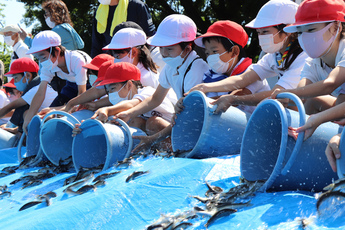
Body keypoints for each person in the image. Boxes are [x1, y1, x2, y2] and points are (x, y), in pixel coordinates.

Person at [184, 0, 307, 114]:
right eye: (259, 32)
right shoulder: (273, 57)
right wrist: (204, 87)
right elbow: (242, 79)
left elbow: (278, 94)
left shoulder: (303, 57)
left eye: (265, 32)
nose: (261, 37)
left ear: (288, 29)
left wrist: (234, 99)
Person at [114, 14, 209, 152]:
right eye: (161, 48)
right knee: (140, 121)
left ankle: (182, 153)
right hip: (185, 120)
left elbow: (190, 118)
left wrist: (154, 138)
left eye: (169, 49)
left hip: (203, 128)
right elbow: (155, 98)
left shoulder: (196, 69)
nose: (163, 53)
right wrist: (130, 113)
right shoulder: (171, 67)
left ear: (187, 49)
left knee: (154, 123)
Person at [63, 27, 174, 113]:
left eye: (119, 52)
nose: (115, 56)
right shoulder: (120, 68)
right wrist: (72, 103)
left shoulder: (145, 77)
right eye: (112, 52)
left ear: (134, 52)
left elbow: (132, 102)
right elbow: (99, 90)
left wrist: (101, 106)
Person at [271, 0, 345, 115]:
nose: (305, 37)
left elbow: (330, 84)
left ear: (336, 27)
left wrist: (290, 92)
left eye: (311, 30)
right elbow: (302, 93)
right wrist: (284, 97)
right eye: (300, 32)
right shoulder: (313, 62)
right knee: (312, 101)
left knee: (342, 100)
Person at [86, 62, 175, 145]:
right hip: (155, 137)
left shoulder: (147, 92)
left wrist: (107, 110)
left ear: (129, 85)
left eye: (113, 89)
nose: (111, 94)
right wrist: (87, 127)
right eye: (108, 91)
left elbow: (132, 104)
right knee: (134, 122)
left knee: (153, 122)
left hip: (175, 131)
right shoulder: (122, 105)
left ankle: (174, 154)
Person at [22, 30, 91, 133]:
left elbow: (82, 95)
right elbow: (40, 93)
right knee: (47, 115)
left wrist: (58, 110)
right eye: (38, 58)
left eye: (43, 56)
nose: (41, 61)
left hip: (90, 87)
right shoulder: (48, 65)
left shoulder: (77, 60)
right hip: (71, 86)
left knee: (66, 114)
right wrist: (28, 119)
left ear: (57, 51)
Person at [0, 58, 57, 134]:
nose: (15, 82)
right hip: (49, 126)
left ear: (27, 75)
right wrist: (14, 129)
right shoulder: (39, 85)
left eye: (16, 78)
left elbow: (10, 106)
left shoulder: (37, 89)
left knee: (27, 113)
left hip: (51, 129)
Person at [91, 0, 156, 58]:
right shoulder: (99, 11)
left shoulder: (137, 6)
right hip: (109, 62)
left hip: (135, 60)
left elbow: (150, 38)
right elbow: (96, 44)